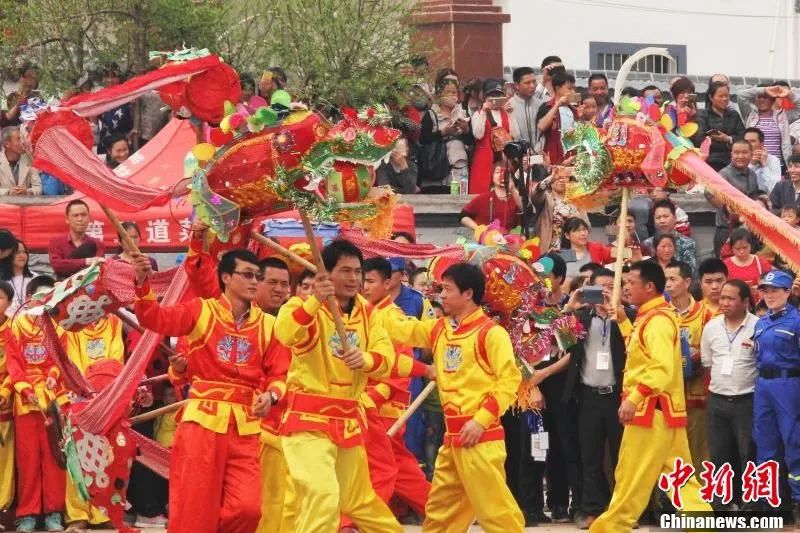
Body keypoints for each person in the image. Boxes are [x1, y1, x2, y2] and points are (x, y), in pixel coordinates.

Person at [130, 248, 289, 533]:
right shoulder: (202, 311)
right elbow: (155, 318)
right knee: (194, 507)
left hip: (245, 426)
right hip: (202, 423)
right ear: (226, 277)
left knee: (249, 508)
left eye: (257, 276)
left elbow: (280, 373)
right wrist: (142, 284)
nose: (254, 282)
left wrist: (271, 396)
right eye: (248, 275)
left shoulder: (269, 325)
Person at [274, 240, 427, 533]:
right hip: (309, 423)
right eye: (345, 271)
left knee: (361, 501)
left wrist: (365, 359)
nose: (353, 278)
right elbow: (286, 333)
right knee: (322, 496)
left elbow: (386, 356)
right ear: (326, 272)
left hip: (348, 423)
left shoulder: (369, 314)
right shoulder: (302, 306)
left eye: (358, 272)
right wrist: (314, 301)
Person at [388, 262, 524, 531]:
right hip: (451, 440)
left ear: (468, 293)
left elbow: (509, 381)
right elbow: (402, 329)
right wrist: (364, 303)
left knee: (496, 514)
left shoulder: (491, 333)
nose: (442, 295)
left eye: (447, 289)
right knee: (440, 513)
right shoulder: (440, 328)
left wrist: (480, 421)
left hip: (480, 439)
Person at [589, 261, 712, 533]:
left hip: (650, 411)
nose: (626, 288)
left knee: (630, 478)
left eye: (631, 283)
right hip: (664, 411)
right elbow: (640, 351)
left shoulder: (657, 320)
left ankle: (610, 529)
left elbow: (660, 367)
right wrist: (623, 321)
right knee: (682, 480)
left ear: (649, 286)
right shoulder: (653, 316)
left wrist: (634, 398)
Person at [360, 258, 432, 518]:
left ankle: (358, 521)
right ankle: (441, 512)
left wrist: (369, 400)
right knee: (397, 466)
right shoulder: (363, 312)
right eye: (363, 280)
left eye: (370, 281)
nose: (365, 286)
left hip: (381, 409)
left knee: (382, 467)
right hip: (364, 405)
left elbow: (398, 369)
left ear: (388, 283)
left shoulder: (392, 317)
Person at [563, 268, 631, 529]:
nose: (605, 293)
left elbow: (634, 346)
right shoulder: (581, 317)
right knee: (590, 456)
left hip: (618, 396)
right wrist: (570, 307)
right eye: (600, 288)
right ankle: (592, 508)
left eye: (611, 288)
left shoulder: (627, 317)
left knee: (622, 455)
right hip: (589, 396)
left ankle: (624, 508)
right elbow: (561, 343)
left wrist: (619, 315)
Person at [5, 275, 67, 533]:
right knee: (28, 458)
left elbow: (60, 359)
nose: (43, 301)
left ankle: (54, 512)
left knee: (54, 455)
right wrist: (24, 388)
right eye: (39, 296)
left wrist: (53, 376)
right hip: (26, 400)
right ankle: (27, 514)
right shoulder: (16, 326)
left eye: (48, 296)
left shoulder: (57, 327)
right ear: (29, 298)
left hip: (52, 398)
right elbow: (13, 362)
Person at [62, 313, 126, 531]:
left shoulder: (114, 322)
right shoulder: (72, 324)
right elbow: (72, 361)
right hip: (81, 396)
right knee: (76, 456)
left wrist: (105, 387)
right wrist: (88, 389)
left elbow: (116, 359)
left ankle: (101, 513)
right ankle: (78, 514)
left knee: (106, 456)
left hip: (108, 395)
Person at [701, 279, 758, 510]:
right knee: (719, 455)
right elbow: (707, 364)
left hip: (748, 400)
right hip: (717, 401)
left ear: (745, 302)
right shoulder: (711, 327)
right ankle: (722, 506)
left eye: (730, 298)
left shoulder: (758, 327)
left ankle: (749, 506)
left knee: (748, 454)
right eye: (722, 298)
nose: (724, 302)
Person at [752, 269, 800, 522]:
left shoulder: (796, 321)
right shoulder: (761, 322)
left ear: (788, 292)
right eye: (765, 291)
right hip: (763, 385)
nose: (769, 295)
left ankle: (797, 500)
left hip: (788, 383)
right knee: (764, 442)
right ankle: (769, 501)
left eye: (775, 291)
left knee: (793, 441)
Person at [665, 260, 714, 475]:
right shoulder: (660, 313)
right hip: (667, 395)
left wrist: (697, 354)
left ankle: (702, 492)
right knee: (670, 453)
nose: (667, 284)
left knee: (700, 449)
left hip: (696, 392)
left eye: (672, 279)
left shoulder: (705, 314)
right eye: (665, 279)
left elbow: (714, 348)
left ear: (687, 282)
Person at [708, 140, 759, 255]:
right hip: (727, 231)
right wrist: (726, 207)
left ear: (751, 154)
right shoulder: (723, 175)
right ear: (731, 154)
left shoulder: (753, 174)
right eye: (736, 152)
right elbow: (708, 192)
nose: (740, 156)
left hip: (747, 230)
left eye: (744, 152)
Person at [469, 78, 519, 194]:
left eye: (498, 95)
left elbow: (516, 135)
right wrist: (484, 112)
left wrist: (511, 113)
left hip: (502, 160)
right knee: (481, 193)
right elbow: (478, 135)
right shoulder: (478, 113)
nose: (495, 98)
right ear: (485, 97)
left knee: (502, 193)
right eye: (492, 95)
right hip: (483, 160)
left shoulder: (506, 113)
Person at [739, 83, 800, 166]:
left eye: (766, 97)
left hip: (778, 166)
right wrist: (764, 90)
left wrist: (789, 94)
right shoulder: (750, 114)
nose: (762, 100)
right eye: (759, 97)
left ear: (772, 100)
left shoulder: (783, 115)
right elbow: (741, 96)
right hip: (754, 165)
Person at [531, 168, 590, 252]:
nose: (561, 180)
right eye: (558, 177)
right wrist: (551, 178)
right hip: (549, 249)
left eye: (565, 177)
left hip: (571, 250)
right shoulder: (545, 198)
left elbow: (586, 226)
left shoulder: (577, 201)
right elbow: (537, 192)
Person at [422, 78, 469, 183]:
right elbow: (423, 139)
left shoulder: (463, 112)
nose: (452, 95)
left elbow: (471, 141)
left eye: (454, 92)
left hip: (459, 165)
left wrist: (466, 129)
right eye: (448, 92)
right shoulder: (431, 114)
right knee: (440, 193)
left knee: (458, 193)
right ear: (440, 94)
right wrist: (443, 133)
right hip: (437, 166)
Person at [692, 81, 745, 171]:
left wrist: (728, 139)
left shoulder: (734, 114)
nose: (724, 99)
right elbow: (699, 140)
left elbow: (743, 137)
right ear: (711, 97)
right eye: (720, 96)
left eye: (727, 96)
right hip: (711, 162)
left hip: (733, 161)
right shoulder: (702, 114)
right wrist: (728, 144)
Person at [48, 199, 106, 279]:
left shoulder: (97, 243)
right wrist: (86, 261)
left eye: (84, 215)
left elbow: (97, 268)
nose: (80, 219)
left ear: (89, 218)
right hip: (63, 285)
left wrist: (68, 264)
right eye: (75, 215)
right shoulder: (56, 241)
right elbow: (57, 265)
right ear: (67, 219)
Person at [460, 159, 522, 232]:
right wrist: (479, 229)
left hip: (511, 237)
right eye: (497, 172)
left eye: (506, 172)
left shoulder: (516, 198)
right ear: (492, 176)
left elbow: (525, 209)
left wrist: (513, 189)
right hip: (488, 237)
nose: (501, 175)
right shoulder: (483, 199)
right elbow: (462, 216)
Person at [536, 70, 580, 165]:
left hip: (570, 159)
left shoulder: (574, 110)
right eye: (569, 88)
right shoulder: (547, 106)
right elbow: (541, 127)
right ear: (558, 88)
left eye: (574, 89)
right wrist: (557, 104)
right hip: (552, 160)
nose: (573, 92)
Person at [642, 200, 697, 272]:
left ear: (675, 218)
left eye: (665, 216)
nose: (662, 221)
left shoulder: (687, 243)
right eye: (658, 217)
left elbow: (691, 270)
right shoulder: (647, 243)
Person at [0, 281, 15, 529]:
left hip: (4, 402)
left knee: (5, 460)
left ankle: (2, 508)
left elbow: (17, 366)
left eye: (0, 298)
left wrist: (4, 390)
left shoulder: (14, 329)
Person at [723, 228, 772, 300]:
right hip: (735, 303)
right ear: (732, 248)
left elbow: (771, 283)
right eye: (738, 248)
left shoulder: (761, 262)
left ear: (750, 245)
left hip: (758, 302)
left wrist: (760, 288)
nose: (742, 251)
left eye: (745, 247)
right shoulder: (725, 265)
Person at [0, 126, 40, 196]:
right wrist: (8, 192)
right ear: (7, 144)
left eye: (22, 138)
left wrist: (27, 191)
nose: (22, 142)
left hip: (25, 202)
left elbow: (38, 187)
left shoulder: (29, 158)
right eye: (18, 139)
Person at [2, 240, 37, 317]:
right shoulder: (1, 281)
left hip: (31, 321)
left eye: (24, 252)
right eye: (17, 252)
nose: (22, 255)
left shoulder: (35, 278)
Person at [744, 127, 782, 193]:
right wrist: (751, 165)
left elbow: (774, 189)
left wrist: (764, 166)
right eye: (746, 141)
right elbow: (739, 185)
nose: (749, 144)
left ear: (761, 144)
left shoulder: (773, 160)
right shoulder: (740, 159)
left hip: (768, 197)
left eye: (752, 141)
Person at [510, 66, 538, 147]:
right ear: (516, 85)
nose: (532, 86)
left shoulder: (542, 104)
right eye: (527, 83)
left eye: (534, 81)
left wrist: (538, 149)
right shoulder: (509, 106)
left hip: (540, 152)